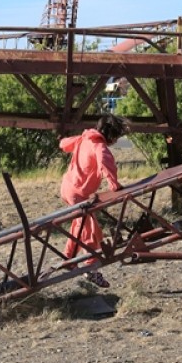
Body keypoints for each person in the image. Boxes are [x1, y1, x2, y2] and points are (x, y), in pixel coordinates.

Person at [59, 114, 129, 288]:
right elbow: (106, 164)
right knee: (91, 230)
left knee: (79, 225)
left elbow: (66, 144)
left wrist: (62, 142)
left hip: (67, 187)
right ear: (111, 135)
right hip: (78, 192)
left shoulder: (85, 137)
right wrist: (114, 185)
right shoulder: (99, 146)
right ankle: (91, 268)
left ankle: (69, 259)